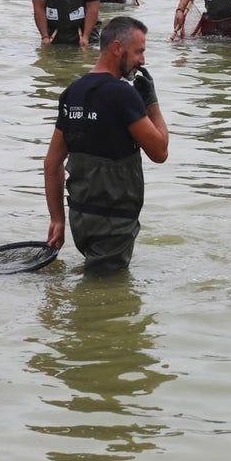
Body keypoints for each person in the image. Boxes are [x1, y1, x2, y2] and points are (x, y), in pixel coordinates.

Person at [44, 16, 169, 272]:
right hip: (114, 223)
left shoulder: (73, 92)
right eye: (139, 52)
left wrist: (57, 219)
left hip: (81, 219)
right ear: (116, 48)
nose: (142, 60)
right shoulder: (123, 94)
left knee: (95, 280)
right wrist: (152, 102)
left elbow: (52, 162)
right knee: (107, 299)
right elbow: (160, 151)